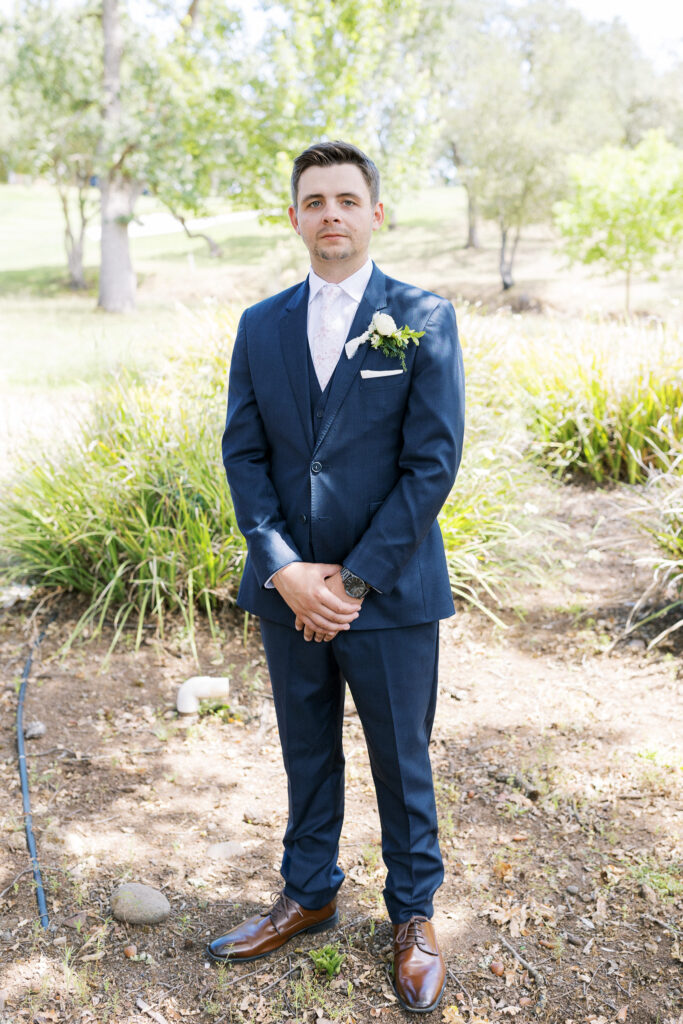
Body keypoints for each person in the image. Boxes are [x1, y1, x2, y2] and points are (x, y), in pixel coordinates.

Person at [210, 140, 465, 1014]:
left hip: (388, 596)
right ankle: (309, 890)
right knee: (304, 748)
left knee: (401, 760)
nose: (330, 213)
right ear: (294, 216)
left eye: (346, 199)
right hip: (287, 594)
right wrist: (283, 570)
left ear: (373, 214)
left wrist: (348, 584)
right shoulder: (260, 324)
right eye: (313, 199)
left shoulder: (421, 317)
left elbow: (431, 465)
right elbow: (244, 455)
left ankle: (413, 915)